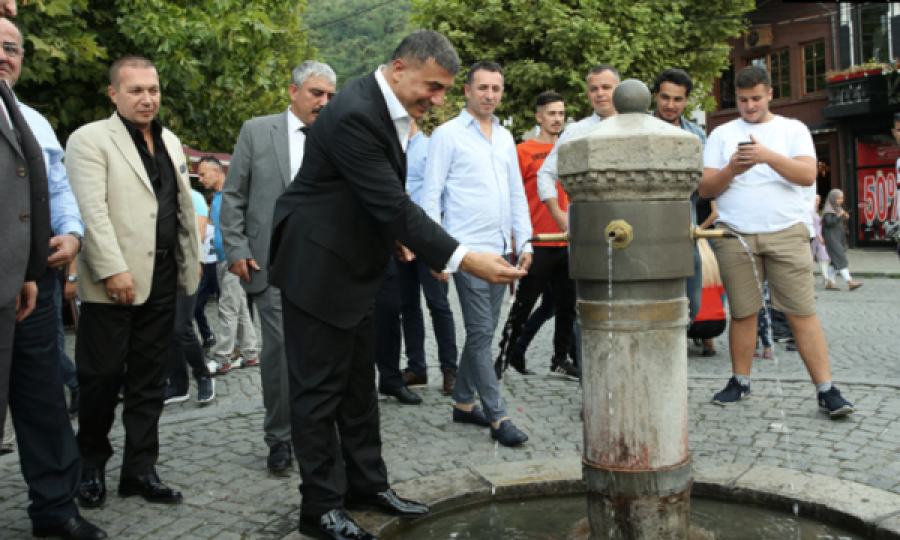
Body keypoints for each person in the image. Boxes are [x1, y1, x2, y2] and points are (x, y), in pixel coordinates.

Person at [269, 30, 525, 540]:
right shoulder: (357, 112)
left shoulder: (389, 111)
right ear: (399, 67)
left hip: (357, 266)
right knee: (318, 395)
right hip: (317, 270)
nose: (438, 99)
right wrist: (465, 259)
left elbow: (377, 202)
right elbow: (392, 203)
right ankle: (319, 508)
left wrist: (399, 240)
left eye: (446, 90)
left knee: (359, 388)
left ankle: (366, 486)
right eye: (432, 86)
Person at [66, 56, 201, 508]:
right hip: (113, 280)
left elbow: (180, 209)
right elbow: (92, 211)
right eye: (136, 90)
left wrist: (189, 266)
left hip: (164, 275)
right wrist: (112, 268)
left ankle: (140, 469)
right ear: (114, 94)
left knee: (149, 379)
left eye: (153, 90)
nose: (147, 98)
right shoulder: (89, 139)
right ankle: (90, 467)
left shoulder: (170, 140)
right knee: (101, 377)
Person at [0, 17, 107, 540]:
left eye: (12, 47)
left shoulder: (35, 121)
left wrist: (72, 234)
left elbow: (61, 190)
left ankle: (55, 510)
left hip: (35, 285)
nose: (5, 55)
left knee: (43, 400)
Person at [698, 65, 854, 418]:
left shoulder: (793, 129)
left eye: (755, 98)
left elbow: (807, 174)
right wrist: (731, 170)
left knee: (801, 312)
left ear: (770, 94)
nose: (749, 106)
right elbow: (706, 188)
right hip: (736, 234)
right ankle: (740, 381)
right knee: (743, 312)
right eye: (742, 100)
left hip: (786, 232)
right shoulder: (722, 133)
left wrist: (767, 156)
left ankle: (826, 390)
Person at [220, 61, 335, 473]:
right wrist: (235, 249)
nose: (323, 102)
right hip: (269, 264)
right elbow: (233, 196)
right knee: (280, 352)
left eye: (329, 96)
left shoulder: (337, 135)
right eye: (316, 93)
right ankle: (280, 439)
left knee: (321, 354)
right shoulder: (257, 130)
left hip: (324, 268)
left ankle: (317, 431)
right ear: (293, 91)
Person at [422, 60, 533, 447]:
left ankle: (464, 402)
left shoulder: (504, 137)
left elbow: (516, 193)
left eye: (496, 89)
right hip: (465, 252)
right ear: (467, 91)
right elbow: (430, 196)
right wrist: (439, 255)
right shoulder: (447, 135)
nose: (489, 95)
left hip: (502, 250)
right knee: (483, 332)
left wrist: (527, 243)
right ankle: (499, 416)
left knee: (481, 333)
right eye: (482, 88)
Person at [495, 91, 578, 380]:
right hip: (537, 241)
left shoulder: (571, 149)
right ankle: (503, 359)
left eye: (561, 113)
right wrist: (517, 238)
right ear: (539, 116)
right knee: (523, 304)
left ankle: (561, 358)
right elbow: (510, 197)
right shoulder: (522, 151)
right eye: (551, 113)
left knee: (568, 307)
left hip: (566, 240)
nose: (557, 119)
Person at [397, 118, 459, 395]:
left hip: (428, 236)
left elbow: (443, 195)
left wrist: (441, 250)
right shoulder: (391, 149)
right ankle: (417, 368)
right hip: (398, 239)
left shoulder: (430, 146)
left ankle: (450, 370)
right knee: (407, 306)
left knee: (439, 305)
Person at [536, 65, 619, 232]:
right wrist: (558, 214)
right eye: (594, 89)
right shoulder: (576, 131)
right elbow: (545, 173)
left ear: (619, 90)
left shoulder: (636, 127)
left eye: (606, 87)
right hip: (588, 225)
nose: (600, 93)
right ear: (588, 94)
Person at [198, 155, 260, 374]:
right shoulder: (217, 198)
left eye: (203, 174)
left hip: (233, 259)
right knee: (240, 308)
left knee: (227, 308)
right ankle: (251, 354)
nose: (200, 179)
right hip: (222, 259)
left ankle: (223, 357)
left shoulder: (233, 197)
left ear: (218, 172)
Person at [163, 187, 215, 405]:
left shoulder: (192, 196)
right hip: (161, 269)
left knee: (181, 326)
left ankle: (203, 375)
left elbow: (200, 233)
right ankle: (178, 385)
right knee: (167, 329)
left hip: (186, 266)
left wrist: (197, 262)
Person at [686, 239, 726, 357]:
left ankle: (684, 342)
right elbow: (721, 293)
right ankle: (708, 342)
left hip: (692, 324)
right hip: (718, 324)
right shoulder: (714, 269)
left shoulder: (690, 272)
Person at [822, 189, 863, 291]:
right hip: (832, 239)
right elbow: (829, 223)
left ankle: (830, 283)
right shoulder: (829, 211)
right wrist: (838, 216)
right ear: (833, 198)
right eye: (838, 198)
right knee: (840, 259)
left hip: (838, 238)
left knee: (835, 261)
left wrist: (843, 216)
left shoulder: (837, 209)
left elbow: (837, 222)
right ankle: (850, 282)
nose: (841, 200)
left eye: (842, 198)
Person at [810, 193, 831, 283]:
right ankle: (813, 278)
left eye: (818, 200)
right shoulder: (810, 212)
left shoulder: (815, 211)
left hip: (818, 238)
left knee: (823, 257)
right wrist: (819, 236)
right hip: (814, 238)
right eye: (816, 200)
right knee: (812, 258)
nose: (817, 202)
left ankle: (825, 277)